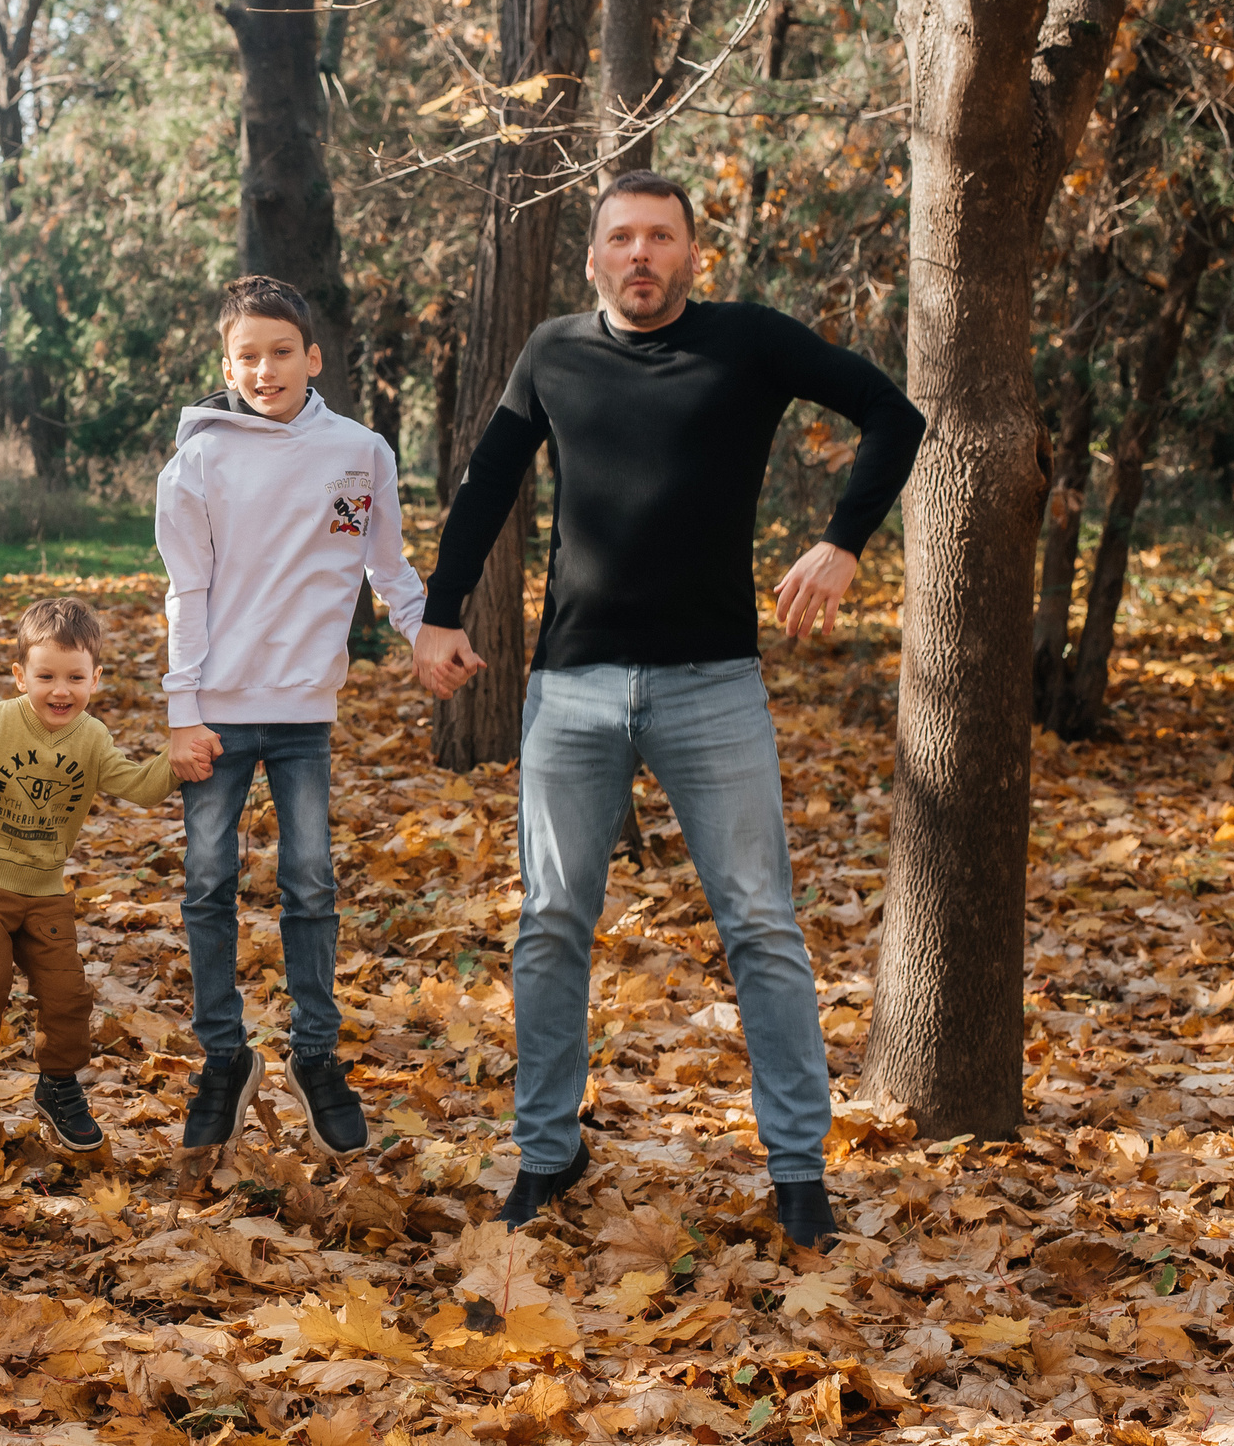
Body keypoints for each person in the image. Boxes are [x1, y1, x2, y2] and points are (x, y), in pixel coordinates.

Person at [415, 169, 925, 1249]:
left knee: (761, 925)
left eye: (659, 236)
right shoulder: (551, 352)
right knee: (552, 922)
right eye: (621, 238)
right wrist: (440, 611)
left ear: (692, 252)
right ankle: (546, 1151)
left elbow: (893, 412)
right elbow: (490, 480)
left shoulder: (749, 340)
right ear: (593, 256)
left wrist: (841, 543)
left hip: (713, 685)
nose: (639, 254)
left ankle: (799, 1172)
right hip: (572, 684)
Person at [155, 276, 434, 1162]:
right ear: (226, 365)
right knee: (208, 884)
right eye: (247, 356)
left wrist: (427, 633)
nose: (265, 369)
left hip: (304, 712)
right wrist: (182, 710)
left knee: (310, 882)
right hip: (217, 714)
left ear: (313, 357)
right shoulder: (197, 462)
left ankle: (317, 1055)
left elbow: (387, 567)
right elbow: (186, 592)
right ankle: (223, 1057)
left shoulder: (359, 452)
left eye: (281, 352)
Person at [0, 597, 177, 1151]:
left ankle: (57, 1083)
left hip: (44, 889)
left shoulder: (92, 738)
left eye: (75, 677)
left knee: (68, 993)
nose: (60, 690)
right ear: (20, 675)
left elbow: (140, 787)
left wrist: (179, 756)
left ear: (95, 678)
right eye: (46, 676)